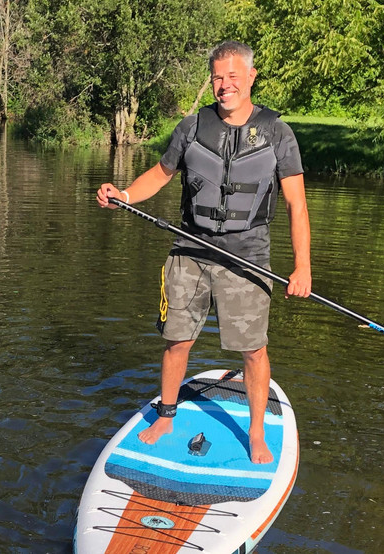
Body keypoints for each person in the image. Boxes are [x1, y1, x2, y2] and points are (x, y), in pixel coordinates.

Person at [96, 40, 310, 464]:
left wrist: (302, 267)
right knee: (177, 340)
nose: (224, 85)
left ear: (251, 77)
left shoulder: (277, 133)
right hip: (189, 252)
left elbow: (296, 204)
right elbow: (159, 174)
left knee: (253, 349)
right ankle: (167, 413)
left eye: (233, 76)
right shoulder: (191, 127)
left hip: (246, 256)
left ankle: (255, 431)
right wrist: (122, 194)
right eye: (217, 77)